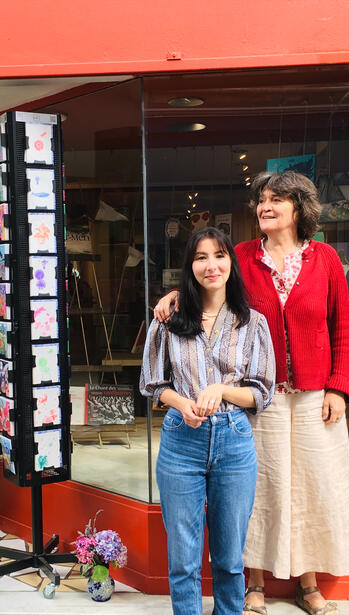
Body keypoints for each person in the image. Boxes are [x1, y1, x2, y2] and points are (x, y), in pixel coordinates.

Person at [154, 171, 349, 615]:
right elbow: (209, 278)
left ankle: (308, 584)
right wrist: (174, 295)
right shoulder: (242, 256)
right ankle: (255, 585)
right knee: (257, 491)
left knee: (311, 487)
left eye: (276, 200)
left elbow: (342, 325)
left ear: (299, 207)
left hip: (311, 394)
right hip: (253, 395)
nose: (265, 207)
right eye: (261, 200)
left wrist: (339, 387)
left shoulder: (324, 259)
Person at [141, 226, 275, 615]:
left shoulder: (253, 323)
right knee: (183, 559)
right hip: (181, 441)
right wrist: (181, 403)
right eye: (201, 257)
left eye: (219, 255)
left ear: (231, 262)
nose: (211, 265)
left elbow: (261, 393)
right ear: (190, 266)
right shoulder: (170, 316)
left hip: (234, 442)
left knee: (230, 559)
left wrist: (222, 390)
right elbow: (151, 383)